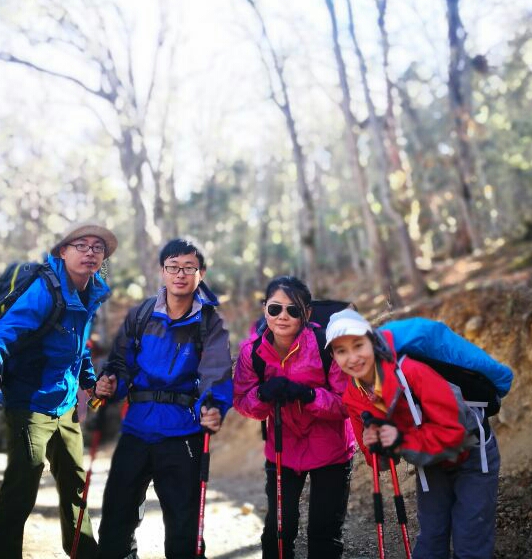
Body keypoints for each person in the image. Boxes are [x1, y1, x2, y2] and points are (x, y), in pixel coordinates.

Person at [0, 222, 117, 558]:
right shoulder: (44, 290)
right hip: (29, 402)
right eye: (81, 245)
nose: (90, 252)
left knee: (76, 484)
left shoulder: (89, 292)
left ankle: (85, 553)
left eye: (98, 248)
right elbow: (2, 333)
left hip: (63, 404)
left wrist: (90, 382)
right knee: (23, 484)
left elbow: (78, 348)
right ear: (62, 251)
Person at [325, 309, 506, 559]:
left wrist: (399, 440)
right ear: (333, 357)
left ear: (373, 342)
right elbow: (381, 463)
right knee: (431, 539)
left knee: (470, 541)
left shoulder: (410, 371)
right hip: (429, 462)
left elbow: (455, 432)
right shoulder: (353, 397)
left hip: (472, 454)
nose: (353, 357)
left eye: (358, 345)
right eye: (341, 351)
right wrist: (374, 445)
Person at [94, 238, 233, 559]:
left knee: (184, 526)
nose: (180, 274)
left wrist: (212, 406)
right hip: (137, 429)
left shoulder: (210, 323)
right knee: (116, 516)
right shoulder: (141, 315)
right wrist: (109, 384)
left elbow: (216, 373)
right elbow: (119, 364)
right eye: (173, 267)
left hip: (183, 433)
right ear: (162, 271)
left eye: (189, 267)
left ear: (202, 273)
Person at [233, 276, 357, 559]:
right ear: (265, 309)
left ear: (307, 313)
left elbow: (345, 403)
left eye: (294, 310)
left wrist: (308, 395)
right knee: (279, 529)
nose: (283, 317)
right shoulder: (252, 352)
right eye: (275, 309)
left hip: (331, 450)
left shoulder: (328, 345)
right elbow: (242, 402)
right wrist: (263, 395)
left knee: (324, 533)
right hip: (282, 450)